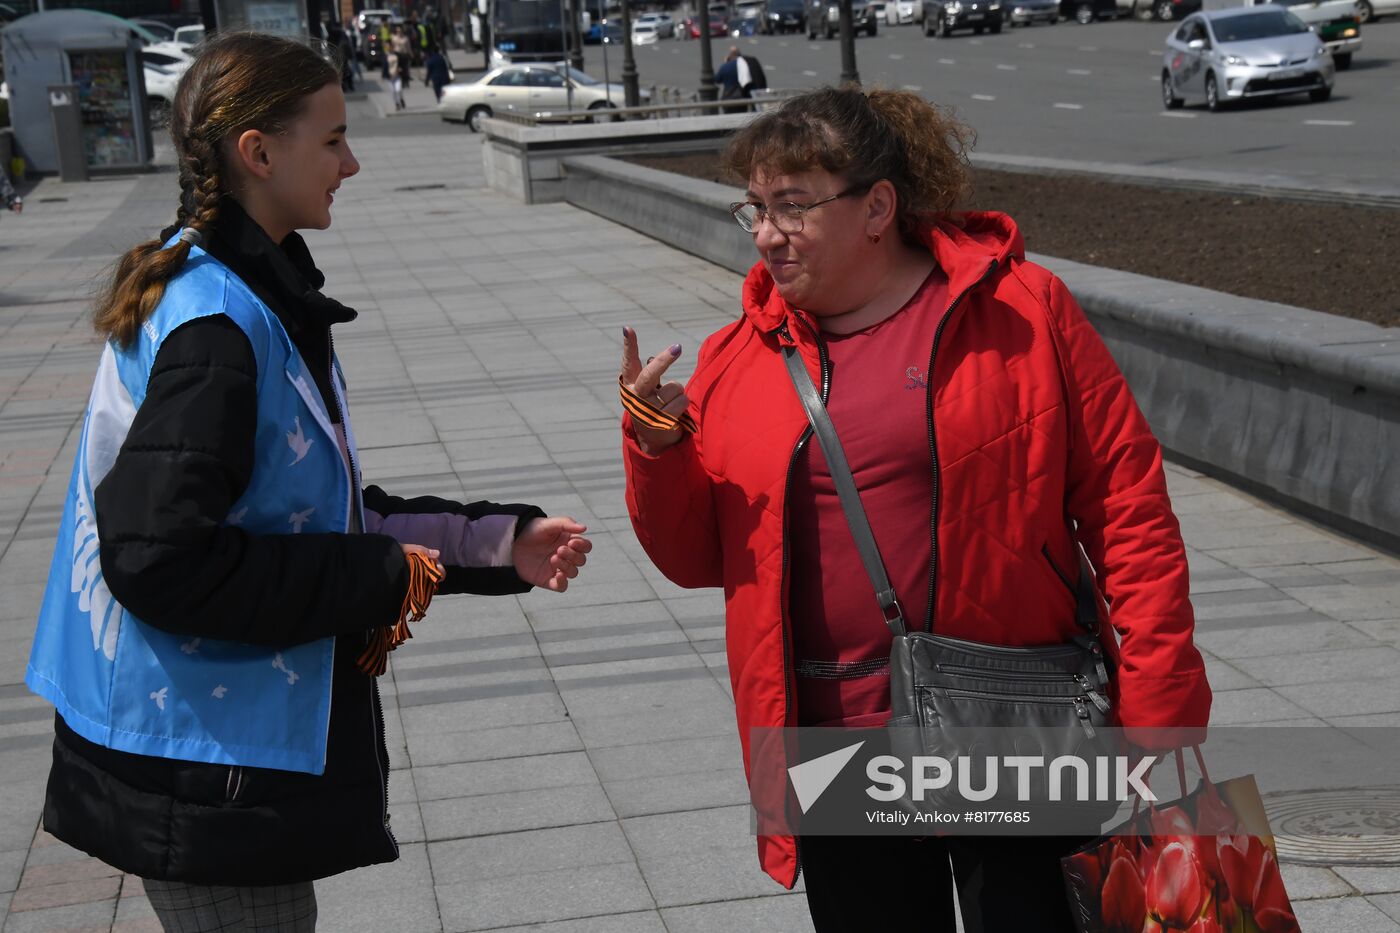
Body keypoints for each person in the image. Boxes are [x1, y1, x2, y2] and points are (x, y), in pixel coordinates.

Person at [26, 32, 592, 932]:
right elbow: (158, 559)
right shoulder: (215, 328)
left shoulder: (224, 284)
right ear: (258, 152)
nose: (354, 161)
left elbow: (306, 507)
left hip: (197, 756)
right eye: (330, 140)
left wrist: (497, 544)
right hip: (202, 771)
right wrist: (373, 581)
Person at [618, 86, 1211, 932]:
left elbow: (1129, 511)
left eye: (792, 205)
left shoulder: (1021, 312)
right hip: (837, 743)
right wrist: (657, 447)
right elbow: (695, 559)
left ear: (878, 207)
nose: (764, 233)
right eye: (755, 207)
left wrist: (1160, 711)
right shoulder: (736, 359)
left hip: (1017, 719)